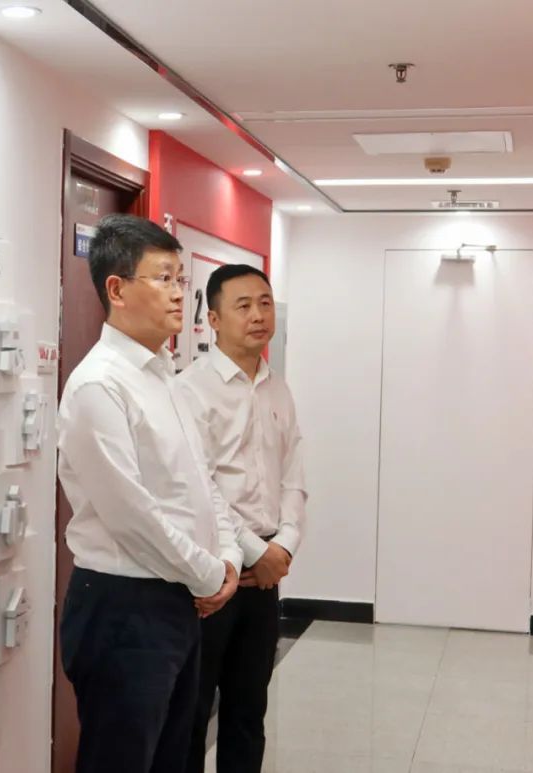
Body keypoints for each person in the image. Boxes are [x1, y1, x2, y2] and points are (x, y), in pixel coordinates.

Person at [57, 214, 243, 773]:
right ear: (116, 289)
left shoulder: (165, 375)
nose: (179, 292)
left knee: (172, 758)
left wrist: (228, 556)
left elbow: (202, 481)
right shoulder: (98, 385)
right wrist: (208, 574)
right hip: (124, 605)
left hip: (177, 597)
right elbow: (132, 515)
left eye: (181, 279)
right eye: (164, 278)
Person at [179, 264, 308, 773]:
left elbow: (293, 474)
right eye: (244, 306)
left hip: (265, 575)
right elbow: (200, 486)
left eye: (265, 303)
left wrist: (285, 546)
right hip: (212, 574)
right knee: (191, 712)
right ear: (213, 319)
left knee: (248, 709)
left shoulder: (278, 389)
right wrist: (256, 552)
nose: (258, 315)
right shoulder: (190, 390)